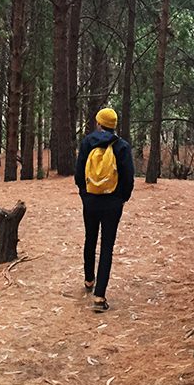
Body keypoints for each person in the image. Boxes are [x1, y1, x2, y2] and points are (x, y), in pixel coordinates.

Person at [74, 107, 135, 312]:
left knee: (90, 238)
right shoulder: (122, 146)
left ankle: (89, 279)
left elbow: (78, 174)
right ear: (114, 125)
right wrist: (121, 199)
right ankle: (99, 296)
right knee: (106, 246)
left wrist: (85, 193)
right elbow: (128, 177)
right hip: (112, 203)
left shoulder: (87, 143)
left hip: (90, 201)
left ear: (99, 123)